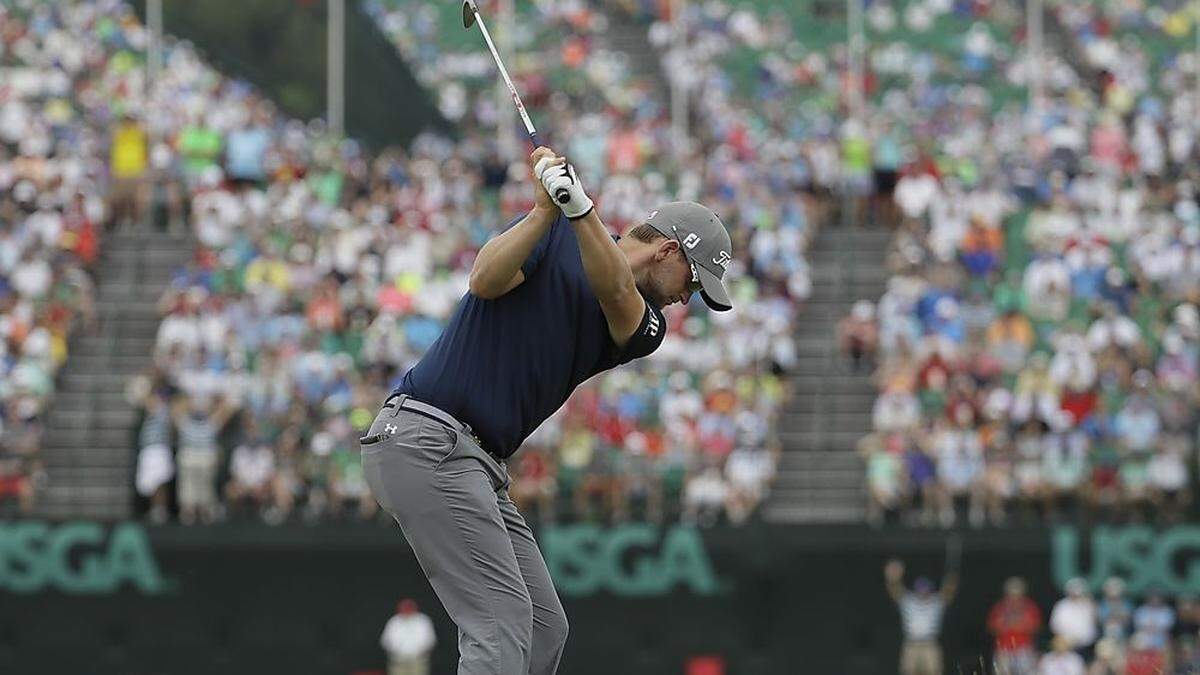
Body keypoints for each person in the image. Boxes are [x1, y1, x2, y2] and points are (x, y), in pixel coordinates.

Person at [360, 146, 735, 674]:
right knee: (500, 619)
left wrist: (580, 211)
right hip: (427, 439)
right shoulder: (552, 229)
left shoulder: (646, 322)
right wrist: (543, 211)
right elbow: (484, 281)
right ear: (668, 252)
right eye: (693, 283)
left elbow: (613, 289)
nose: (687, 298)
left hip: (473, 463)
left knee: (542, 625)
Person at [884, 558, 959, 675]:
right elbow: (895, 591)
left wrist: (951, 580)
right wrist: (892, 578)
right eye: (920, 590)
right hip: (911, 643)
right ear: (916, 590)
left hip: (930, 643)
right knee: (908, 672)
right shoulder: (908, 601)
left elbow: (948, 592)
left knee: (934, 671)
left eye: (925, 590)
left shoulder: (936, 602)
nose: (923, 593)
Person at [987, 577, 1042, 675]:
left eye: (1017, 592)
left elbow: (1035, 626)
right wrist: (1009, 624)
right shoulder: (1000, 608)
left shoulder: (1029, 607)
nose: (1014, 595)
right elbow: (992, 627)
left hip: (1023, 648)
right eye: (1012, 592)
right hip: (1004, 648)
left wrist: (1016, 625)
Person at [381, 599, 437, 675]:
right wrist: (396, 652)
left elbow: (430, 640)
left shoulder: (423, 621)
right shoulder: (394, 621)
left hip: (418, 661)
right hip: (398, 661)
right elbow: (386, 641)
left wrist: (420, 652)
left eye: (409, 608)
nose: (407, 611)